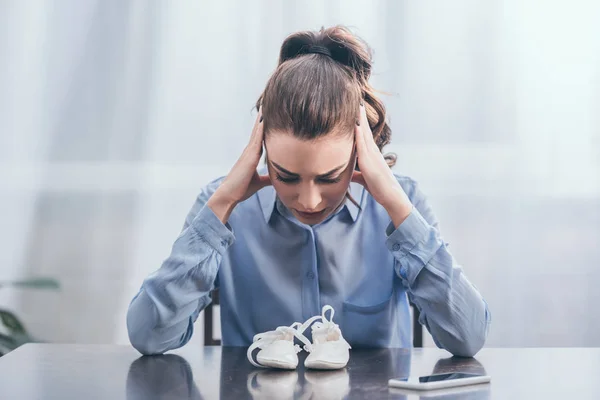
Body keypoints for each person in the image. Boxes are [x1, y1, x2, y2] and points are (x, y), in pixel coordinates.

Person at [126, 25, 491, 358]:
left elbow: (467, 338)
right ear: (261, 146)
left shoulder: (402, 204)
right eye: (286, 176)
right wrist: (221, 204)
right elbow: (149, 337)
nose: (309, 200)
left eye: (330, 177)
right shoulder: (224, 206)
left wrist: (397, 206)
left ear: (359, 150)